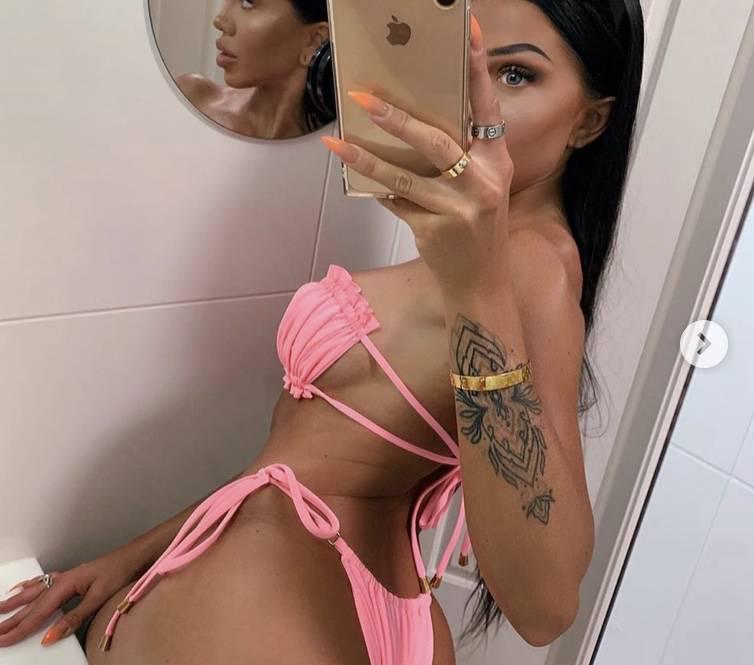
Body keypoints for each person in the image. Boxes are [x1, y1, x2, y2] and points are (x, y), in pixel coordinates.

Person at [0, 1, 644, 663]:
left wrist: (475, 285)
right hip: (341, 596)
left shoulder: (532, 268)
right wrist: (129, 557)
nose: (472, 100)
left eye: (514, 76)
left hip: (293, 609)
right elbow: (305, 457)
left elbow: (546, 605)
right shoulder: (484, 242)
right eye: (461, 64)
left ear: (590, 121)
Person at [178, 0, 334, 140]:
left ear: (313, 40)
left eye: (247, 2)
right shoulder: (190, 100)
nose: (219, 21)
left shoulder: (335, 153)